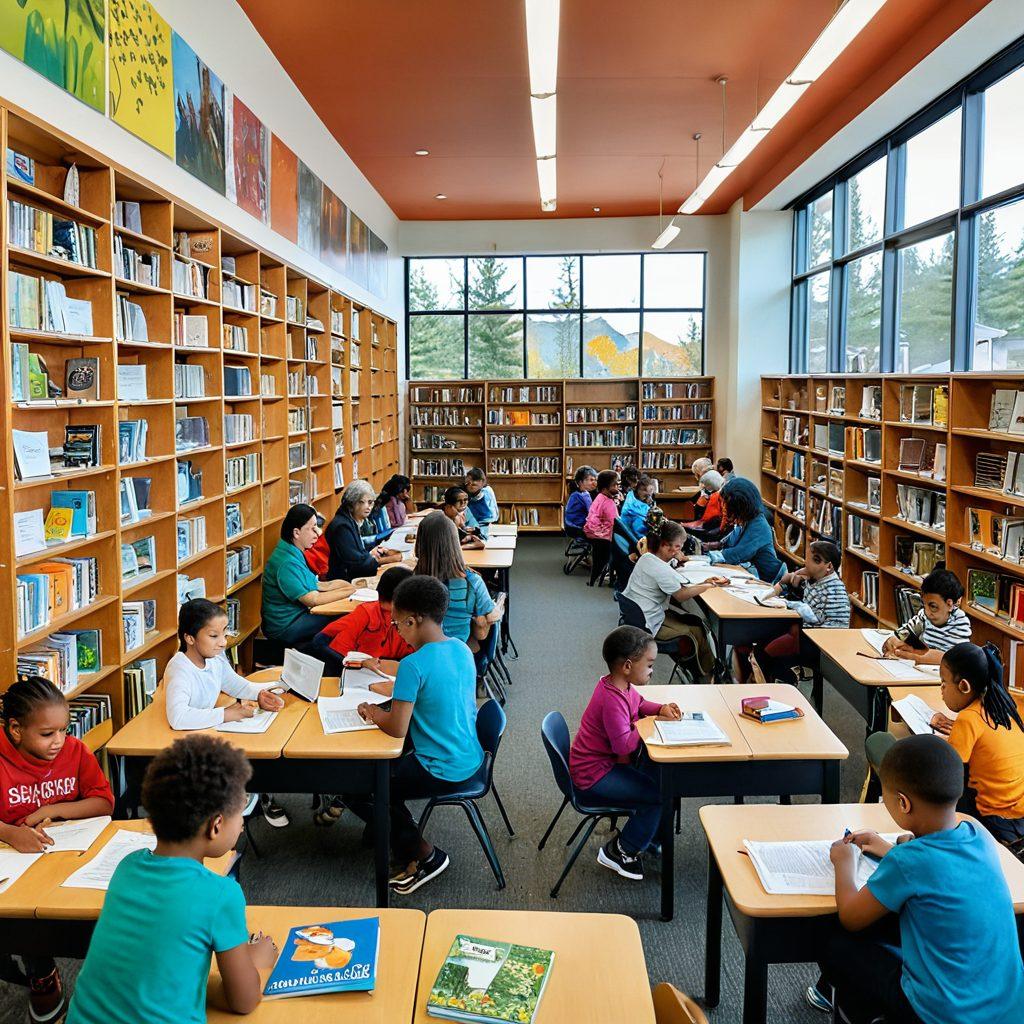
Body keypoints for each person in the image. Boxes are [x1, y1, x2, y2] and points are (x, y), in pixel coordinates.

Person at [810, 734, 1024, 1022]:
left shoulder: (907, 861)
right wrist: (892, 849)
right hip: (1008, 1010)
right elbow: (941, 871)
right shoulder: (979, 834)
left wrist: (844, 863)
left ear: (903, 803)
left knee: (836, 942)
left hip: (939, 1015)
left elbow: (850, 915)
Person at [66, 735, 278, 1024]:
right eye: (241, 812)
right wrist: (259, 960)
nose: (242, 824)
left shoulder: (127, 867)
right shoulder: (220, 894)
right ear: (216, 826)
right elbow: (244, 1000)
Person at [348, 576, 485, 894]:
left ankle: (424, 855)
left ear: (412, 620)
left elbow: (396, 727)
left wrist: (371, 711)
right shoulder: (461, 649)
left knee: (357, 786)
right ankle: (391, 830)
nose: (396, 630)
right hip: (470, 756)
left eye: (397, 624)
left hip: (440, 767)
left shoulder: (413, 665)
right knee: (384, 778)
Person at [0, 677, 115, 1023]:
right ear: (16, 729)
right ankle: (41, 968)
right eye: (47, 734)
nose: (59, 742)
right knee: (23, 916)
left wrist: (55, 810)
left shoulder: (74, 751)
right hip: (13, 861)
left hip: (65, 853)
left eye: (63, 730)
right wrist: (8, 832)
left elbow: (103, 802)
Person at [569, 626, 681, 881]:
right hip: (593, 775)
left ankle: (650, 839)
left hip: (604, 765)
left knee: (661, 778)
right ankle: (620, 850)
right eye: (650, 664)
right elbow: (624, 746)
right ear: (628, 666)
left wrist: (660, 708)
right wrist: (648, 724)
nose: (653, 670)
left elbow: (640, 704)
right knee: (657, 796)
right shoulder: (612, 699)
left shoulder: (622, 686)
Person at [164, 599, 289, 826]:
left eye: (224, 633)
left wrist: (259, 694)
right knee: (249, 760)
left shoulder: (214, 658)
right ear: (189, 638)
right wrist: (227, 713)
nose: (223, 642)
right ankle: (245, 798)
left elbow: (235, 684)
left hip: (209, 733)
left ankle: (255, 794)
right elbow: (178, 717)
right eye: (214, 636)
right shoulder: (180, 669)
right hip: (187, 747)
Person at [930, 642, 1024, 847]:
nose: (942, 689)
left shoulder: (968, 718)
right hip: (1019, 812)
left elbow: (951, 765)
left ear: (964, 686)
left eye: (944, 682)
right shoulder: (1006, 705)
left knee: (939, 784)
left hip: (992, 817)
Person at [622, 521, 728, 680]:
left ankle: (700, 669)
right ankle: (708, 675)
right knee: (696, 631)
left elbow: (665, 569)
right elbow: (681, 594)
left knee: (695, 621)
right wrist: (709, 584)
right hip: (648, 623)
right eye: (678, 547)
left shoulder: (647, 558)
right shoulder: (660, 568)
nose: (680, 550)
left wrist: (676, 557)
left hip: (640, 616)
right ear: (665, 545)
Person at [741, 540, 850, 683]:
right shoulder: (819, 579)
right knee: (762, 643)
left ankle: (785, 681)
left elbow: (814, 617)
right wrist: (795, 576)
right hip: (809, 634)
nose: (806, 564)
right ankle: (767, 682)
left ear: (828, 566)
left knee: (765, 653)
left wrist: (789, 603)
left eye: (811, 561)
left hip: (821, 643)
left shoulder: (834, 589)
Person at [262, 504, 353, 646]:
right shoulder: (286, 562)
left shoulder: (292, 550)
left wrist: (350, 588)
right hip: (286, 627)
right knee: (344, 619)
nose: (317, 533)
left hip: (297, 617)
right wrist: (349, 592)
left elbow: (320, 585)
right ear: (296, 533)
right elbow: (312, 600)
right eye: (312, 528)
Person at [414, 512, 504, 646]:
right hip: (459, 650)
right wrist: (499, 605)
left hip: (421, 651)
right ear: (455, 542)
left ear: (420, 543)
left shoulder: (413, 582)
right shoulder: (471, 581)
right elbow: (485, 626)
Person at [308, 565, 415, 676]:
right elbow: (340, 656)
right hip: (350, 666)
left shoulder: (409, 619)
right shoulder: (365, 615)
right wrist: (361, 663)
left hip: (384, 667)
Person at [882, 568, 971, 665]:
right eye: (924, 604)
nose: (927, 611)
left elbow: (952, 659)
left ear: (949, 605)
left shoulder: (960, 622)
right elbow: (904, 632)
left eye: (933, 606)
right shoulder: (924, 615)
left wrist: (915, 656)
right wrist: (893, 640)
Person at [705, 477, 784, 583]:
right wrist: (708, 546)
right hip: (752, 576)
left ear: (741, 507)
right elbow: (727, 542)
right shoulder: (746, 521)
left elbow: (739, 553)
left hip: (770, 581)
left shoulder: (759, 525)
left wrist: (706, 558)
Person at [324, 481, 403, 581]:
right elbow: (358, 565)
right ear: (351, 504)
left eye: (370, 502)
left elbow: (357, 554)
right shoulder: (342, 527)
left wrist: (370, 553)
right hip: (344, 582)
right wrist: (389, 560)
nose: (368, 507)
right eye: (362, 502)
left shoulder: (349, 520)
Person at [584, 470, 620, 586]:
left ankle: (596, 578)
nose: (618, 487)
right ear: (605, 487)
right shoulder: (606, 502)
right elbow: (614, 523)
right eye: (615, 485)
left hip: (595, 532)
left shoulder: (602, 497)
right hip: (600, 535)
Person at [683, 470, 724, 535]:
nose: (704, 487)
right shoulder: (720, 492)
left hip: (711, 525)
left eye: (706, 485)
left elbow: (706, 519)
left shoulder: (715, 496)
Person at [620, 474, 657, 538]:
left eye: (650, 495)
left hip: (634, 534)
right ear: (638, 489)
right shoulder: (632, 508)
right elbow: (640, 531)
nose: (649, 498)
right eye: (647, 495)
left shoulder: (631, 496)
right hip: (635, 539)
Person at [564, 465, 597, 536]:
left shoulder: (583, 493)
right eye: (591, 480)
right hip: (576, 528)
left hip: (574, 526)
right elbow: (591, 512)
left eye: (595, 480)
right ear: (580, 482)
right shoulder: (579, 496)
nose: (594, 483)